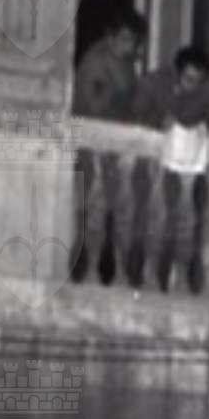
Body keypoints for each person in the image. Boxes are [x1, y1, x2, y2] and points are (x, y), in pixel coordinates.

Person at [136, 43, 209, 294]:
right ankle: (148, 273)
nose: (192, 85)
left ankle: (178, 276)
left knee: (185, 220)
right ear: (177, 72)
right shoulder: (155, 83)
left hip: (188, 167)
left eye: (198, 81)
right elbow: (136, 112)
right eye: (188, 79)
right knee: (156, 216)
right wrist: (157, 122)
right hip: (157, 164)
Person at [71, 15, 147, 285]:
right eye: (125, 39)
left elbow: (131, 104)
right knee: (87, 211)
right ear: (111, 36)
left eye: (133, 41)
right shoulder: (95, 62)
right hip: (91, 148)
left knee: (113, 212)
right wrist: (117, 100)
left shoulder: (126, 65)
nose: (130, 46)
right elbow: (93, 106)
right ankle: (80, 271)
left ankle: (110, 270)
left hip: (113, 152)